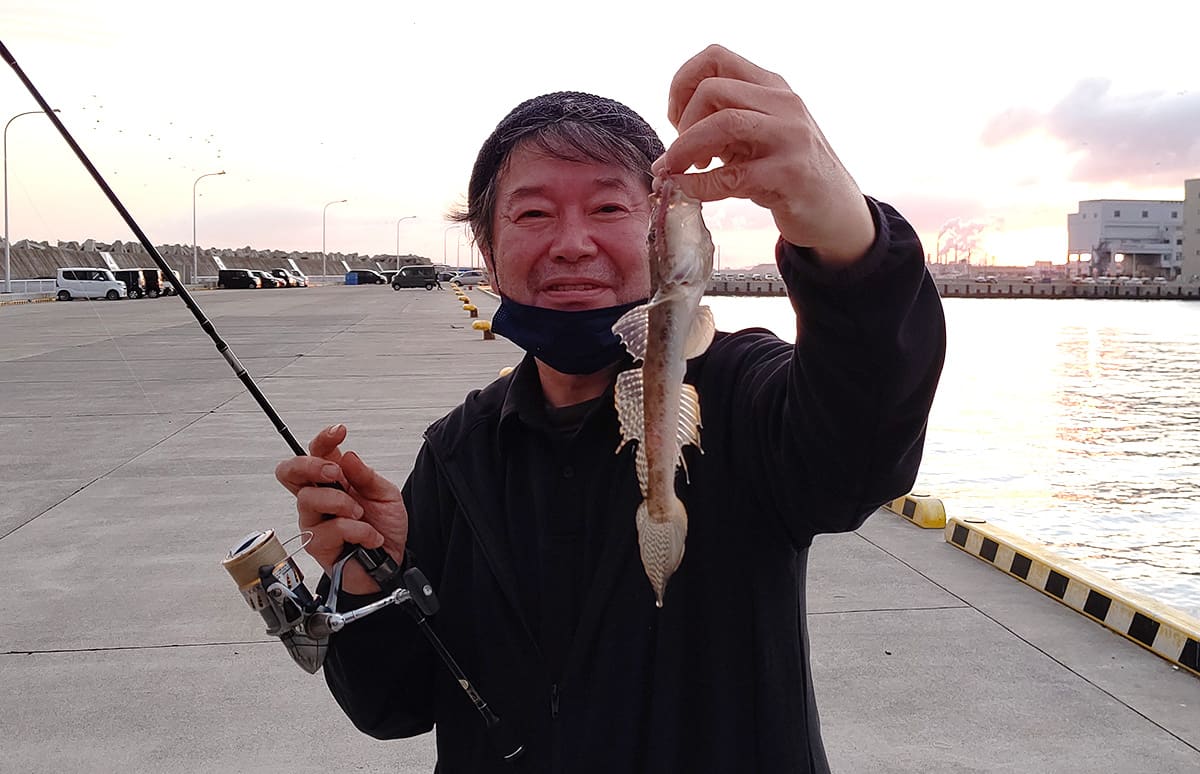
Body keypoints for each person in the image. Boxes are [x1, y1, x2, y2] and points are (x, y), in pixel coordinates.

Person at [276, 44, 945, 773]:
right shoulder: (458, 451)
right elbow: (392, 707)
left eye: (607, 206)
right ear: (488, 251)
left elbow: (860, 450)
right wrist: (377, 576)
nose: (572, 242)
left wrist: (846, 234)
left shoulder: (743, 392)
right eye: (533, 212)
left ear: (661, 229)